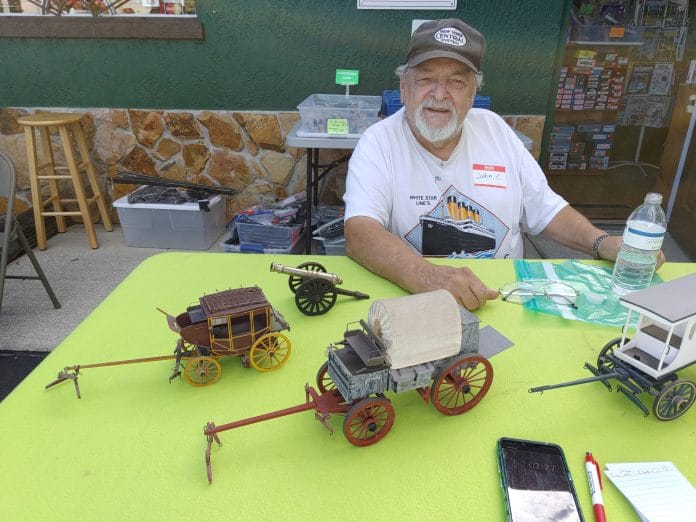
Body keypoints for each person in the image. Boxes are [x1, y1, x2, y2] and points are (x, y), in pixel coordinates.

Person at [343, 18, 662, 310]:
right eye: (426, 79)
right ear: (404, 88)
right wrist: (426, 276)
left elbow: (546, 210)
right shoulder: (379, 142)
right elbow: (360, 231)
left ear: (473, 93)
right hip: (419, 301)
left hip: (507, 297)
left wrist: (601, 243)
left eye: (457, 82)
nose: (439, 94)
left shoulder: (495, 130)